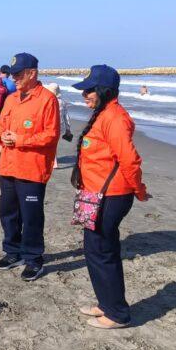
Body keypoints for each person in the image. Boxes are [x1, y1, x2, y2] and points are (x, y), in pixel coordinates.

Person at [71, 65, 149, 330]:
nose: (85, 95)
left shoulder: (115, 118)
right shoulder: (103, 114)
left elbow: (130, 159)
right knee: (94, 250)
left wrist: (139, 190)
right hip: (95, 194)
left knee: (103, 252)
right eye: (84, 91)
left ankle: (117, 313)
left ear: (105, 90)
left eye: (89, 90)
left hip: (111, 196)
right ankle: (106, 303)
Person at [0, 53, 60, 282]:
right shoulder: (11, 98)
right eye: (13, 74)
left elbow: (51, 135)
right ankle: (13, 252)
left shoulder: (47, 100)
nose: (14, 78)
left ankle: (33, 259)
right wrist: (2, 137)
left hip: (32, 169)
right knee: (8, 213)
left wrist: (20, 140)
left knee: (31, 217)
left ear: (32, 73)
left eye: (18, 74)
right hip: (8, 166)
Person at [46, 83, 73, 169]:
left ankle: (53, 162)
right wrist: (68, 128)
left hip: (50, 126)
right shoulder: (63, 102)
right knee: (54, 143)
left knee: (49, 144)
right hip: (60, 127)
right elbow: (66, 116)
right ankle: (52, 161)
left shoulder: (48, 101)